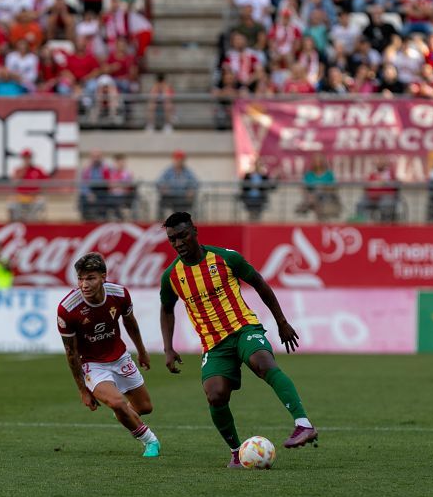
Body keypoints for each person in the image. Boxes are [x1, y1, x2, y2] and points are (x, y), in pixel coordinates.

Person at [159, 212, 318, 468]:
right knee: (215, 395)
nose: (178, 243)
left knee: (263, 363)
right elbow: (166, 308)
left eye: (182, 236)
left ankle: (303, 424)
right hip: (213, 344)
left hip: (243, 328)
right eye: (172, 239)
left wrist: (282, 322)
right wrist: (168, 348)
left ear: (195, 232)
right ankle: (236, 452)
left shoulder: (226, 258)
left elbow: (259, 283)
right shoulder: (172, 276)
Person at [58, 252, 161, 458]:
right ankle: (150, 440)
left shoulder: (119, 294)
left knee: (144, 407)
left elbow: (130, 322)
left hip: (120, 357)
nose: (84, 284)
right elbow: (71, 352)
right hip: (92, 364)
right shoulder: (68, 308)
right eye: (80, 278)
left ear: (103, 277)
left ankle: (124, 415)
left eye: (90, 278)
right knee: (117, 403)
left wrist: (141, 351)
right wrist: (83, 390)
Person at [156, 150, 199, 217]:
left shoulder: (188, 172)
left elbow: (195, 183)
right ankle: (160, 222)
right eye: (177, 159)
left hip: (183, 197)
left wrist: (191, 190)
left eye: (181, 159)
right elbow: (159, 181)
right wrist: (163, 187)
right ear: (174, 160)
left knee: (187, 205)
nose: (179, 161)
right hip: (170, 196)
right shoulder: (168, 171)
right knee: (161, 202)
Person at [9, 149, 49, 221]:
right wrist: (23, 172)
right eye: (25, 158)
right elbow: (14, 184)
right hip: (21, 197)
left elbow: (47, 183)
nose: (27, 159)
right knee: (12, 204)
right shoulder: (18, 170)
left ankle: (32, 222)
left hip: (34, 197)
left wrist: (39, 193)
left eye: (28, 157)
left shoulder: (38, 170)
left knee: (41, 202)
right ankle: (18, 222)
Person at [298, 153, 341, 220]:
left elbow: (334, 187)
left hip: (326, 196)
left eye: (319, 161)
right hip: (312, 196)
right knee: (314, 198)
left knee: (317, 198)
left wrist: (323, 188)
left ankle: (308, 209)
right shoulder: (309, 174)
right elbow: (303, 187)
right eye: (316, 161)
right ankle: (319, 218)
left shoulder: (329, 174)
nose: (318, 163)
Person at [238, 156, 276, 221]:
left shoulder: (264, 176)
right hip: (249, 198)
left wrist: (274, 178)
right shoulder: (248, 175)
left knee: (257, 215)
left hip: (260, 198)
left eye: (259, 165)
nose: (257, 166)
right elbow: (243, 186)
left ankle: (255, 224)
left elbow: (271, 186)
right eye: (256, 164)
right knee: (251, 215)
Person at [79, 150, 111, 221]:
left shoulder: (106, 168)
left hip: (103, 191)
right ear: (91, 158)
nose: (96, 159)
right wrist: (88, 194)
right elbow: (83, 185)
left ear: (101, 157)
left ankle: (102, 219)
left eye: (98, 157)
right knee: (82, 198)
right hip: (91, 191)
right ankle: (87, 219)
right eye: (94, 157)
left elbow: (109, 182)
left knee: (105, 198)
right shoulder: (86, 170)